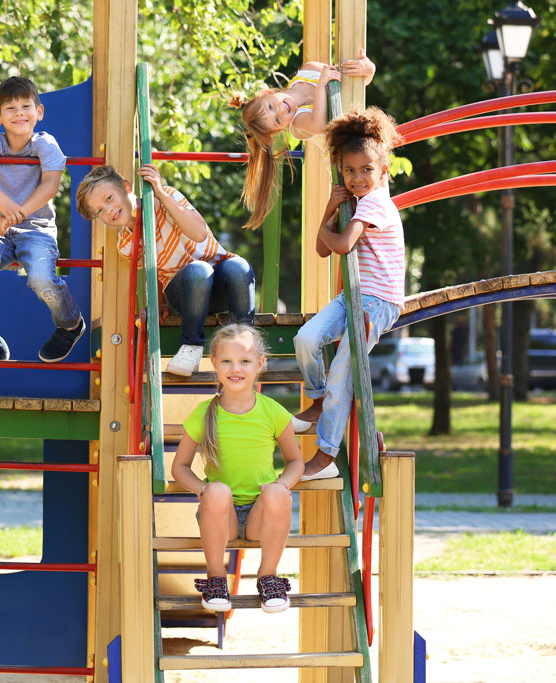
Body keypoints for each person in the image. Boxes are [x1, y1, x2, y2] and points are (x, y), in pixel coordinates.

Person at [291, 106, 405, 481]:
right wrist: (329, 207)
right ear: (341, 172)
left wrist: (326, 226)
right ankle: (318, 397)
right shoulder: (353, 203)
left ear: (383, 172)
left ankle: (326, 456)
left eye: (367, 170)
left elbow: (337, 246)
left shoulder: (375, 202)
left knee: (342, 370)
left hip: (378, 302)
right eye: (350, 171)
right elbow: (324, 249)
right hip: (354, 296)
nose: (358, 178)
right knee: (305, 338)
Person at [170, 324, 304, 613]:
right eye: (227, 361)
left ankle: (268, 576)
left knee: (279, 494)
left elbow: (295, 462)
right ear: (215, 364)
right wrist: (202, 489)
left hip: (261, 516)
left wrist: (282, 485)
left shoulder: (273, 412)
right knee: (217, 491)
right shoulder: (204, 413)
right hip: (222, 518)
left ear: (260, 364)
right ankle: (216, 577)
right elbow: (179, 467)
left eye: (244, 361)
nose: (236, 369)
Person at [75, 163, 255, 377]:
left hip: (220, 282)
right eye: (100, 211)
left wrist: (160, 193)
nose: (109, 210)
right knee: (198, 271)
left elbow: (199, 234)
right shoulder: (126, 244)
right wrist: (159, 301)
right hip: (186, 293)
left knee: (239, 266)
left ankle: (246, 343)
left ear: (126, 187)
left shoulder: (166, 198)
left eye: (109, 198)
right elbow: (156, 266)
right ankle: (191, 346)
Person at [0, 76, 85, 363]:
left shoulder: (44, 142)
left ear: (38, 112)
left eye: (26, 106)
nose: (19, 113)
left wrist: (18, 214)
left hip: (37, 229)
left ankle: (70, 324)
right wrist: (4, 204)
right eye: (10, 108)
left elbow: (50, 185)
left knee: (42, 276)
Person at [229, 50, 376, 229]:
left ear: (267, 92)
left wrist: (368, 71)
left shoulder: (309, 70)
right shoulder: (298, 120)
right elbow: (320, 124)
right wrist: (321, 85)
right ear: (281, 129)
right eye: (277, 120)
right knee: (362, 213)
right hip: (345, 167)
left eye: (270, 106)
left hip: (364, 147)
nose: (281, 111)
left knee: (377, 200)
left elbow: (349, 81)